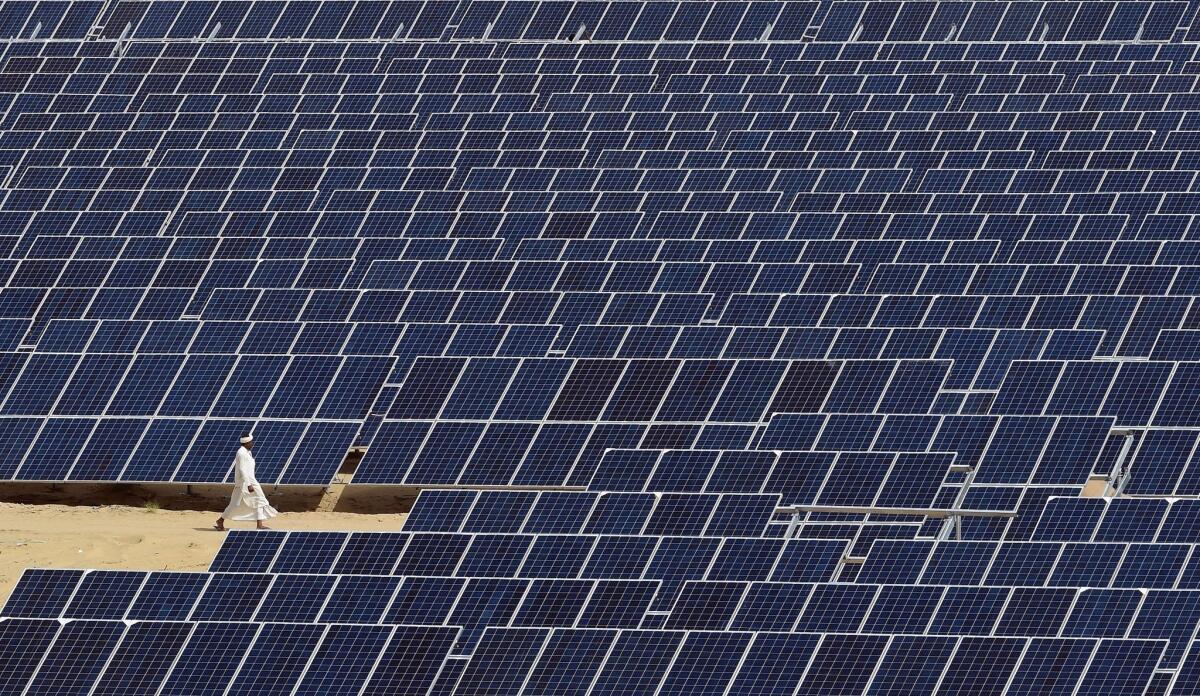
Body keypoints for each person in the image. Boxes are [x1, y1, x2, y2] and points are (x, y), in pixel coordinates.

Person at [215, 434, 278, 531]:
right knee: (239, 503)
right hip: (246, 482)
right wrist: (249, 485)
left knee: (257, 500)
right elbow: (242, 470)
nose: (252, 444)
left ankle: (259, 524)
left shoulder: (247, 452)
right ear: (246, 443)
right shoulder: (241, 453)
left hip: (249, 480)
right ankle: (221, 520)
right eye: (251, 442)